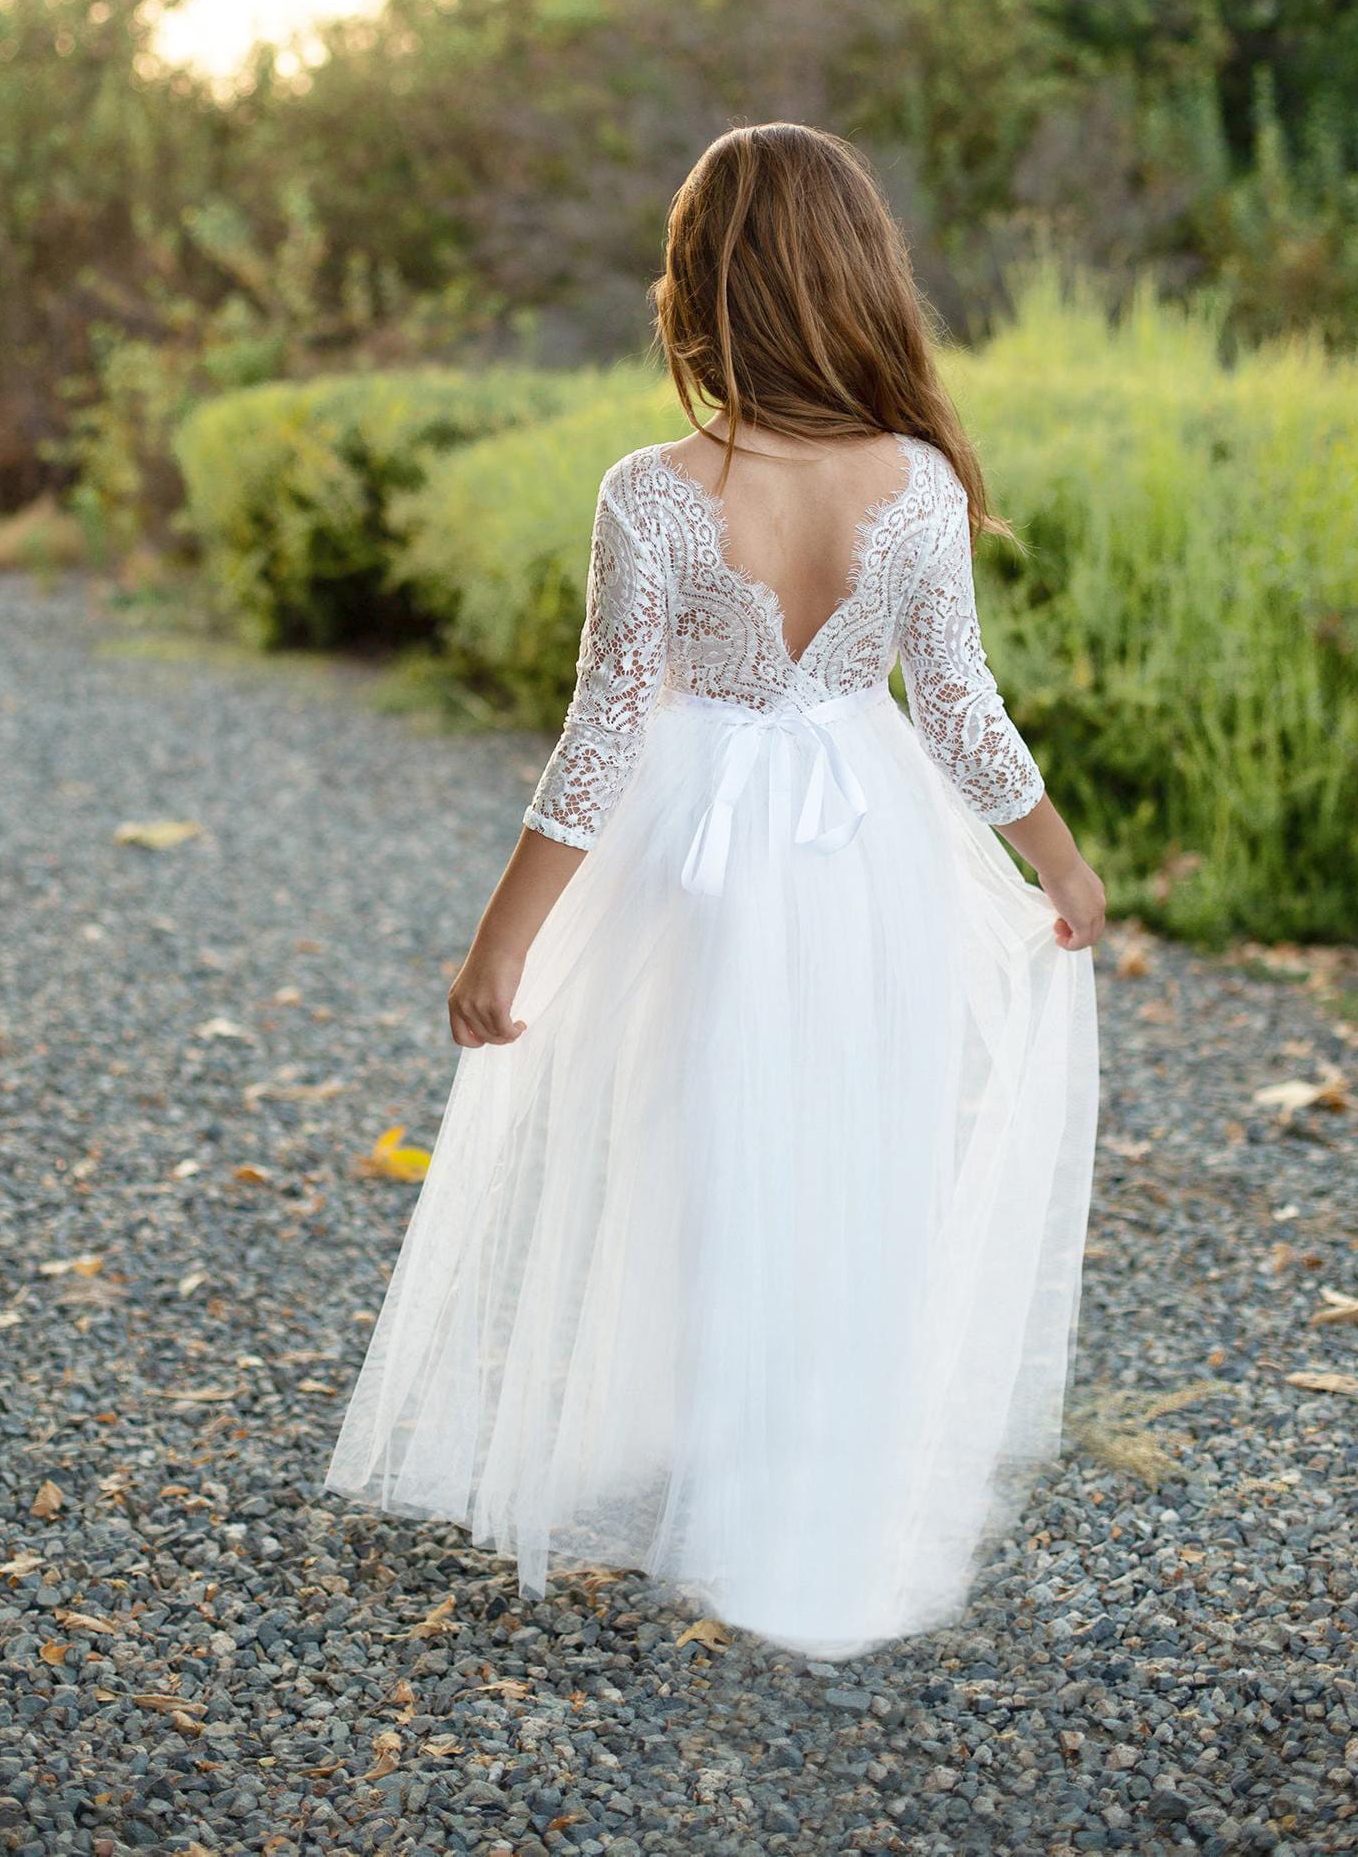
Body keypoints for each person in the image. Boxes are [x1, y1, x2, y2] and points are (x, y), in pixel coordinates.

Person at [325, 122, 1105, 1659]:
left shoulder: (655, 491)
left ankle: (725, 1462)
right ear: (858, 278)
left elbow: (604, 736)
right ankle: (809, 1480)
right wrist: (1062, 863)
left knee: (704, 1139)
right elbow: (960, 709)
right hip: (871, 846)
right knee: (856, 1138)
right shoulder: (918, 484)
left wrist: (503, 946)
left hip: (699, 854)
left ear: (700, 290)